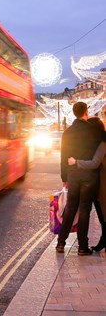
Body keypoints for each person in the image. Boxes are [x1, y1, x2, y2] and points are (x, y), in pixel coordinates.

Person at [56, 101, 105, 255]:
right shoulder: (94, 130)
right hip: (89, 176)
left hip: (73, 174)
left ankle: (61, 243)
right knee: (84, 209)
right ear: (86, 112)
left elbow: (63, 156)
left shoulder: (67, 132)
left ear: (73, 112)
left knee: (71, 207)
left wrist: (64, 176)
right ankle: (82, 247)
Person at [68, 117, 106, 253]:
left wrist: (76, 162)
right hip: (98, 185)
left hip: (103, 185)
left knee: (103, 214)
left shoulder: (102, 143)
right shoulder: (96, 142)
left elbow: (95, 163)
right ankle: (103, 239)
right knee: (102, 214)